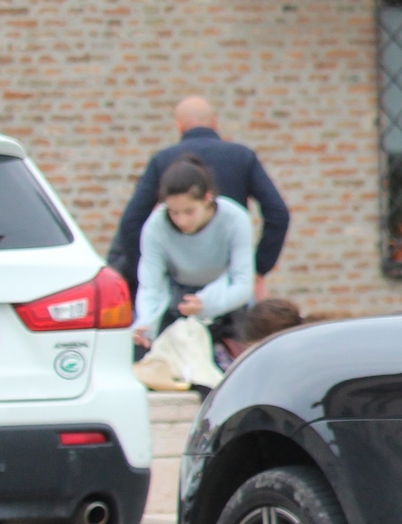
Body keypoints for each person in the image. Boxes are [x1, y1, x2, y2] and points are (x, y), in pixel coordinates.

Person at [109, 96, 291, 299]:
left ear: (179, 125)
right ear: (215, 121)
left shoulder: (163, 161)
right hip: (230, 277)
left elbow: (131, 222)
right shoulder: (242, 157)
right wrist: (258, 268)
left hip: (180, 281)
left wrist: (151, 273)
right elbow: (278, 213)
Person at [132, 157, 257, 351]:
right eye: (174, 212)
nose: (181, 221)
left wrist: (206, 305)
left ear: (208, 199)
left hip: (227, 297)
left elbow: (243, 284)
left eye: (189, 211)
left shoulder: (235, 219)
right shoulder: (156, 226)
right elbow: (151, 286)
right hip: (179, 297)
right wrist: (145, 324)